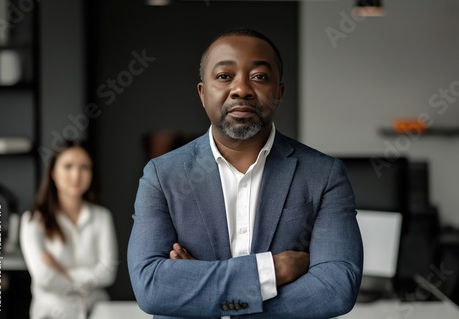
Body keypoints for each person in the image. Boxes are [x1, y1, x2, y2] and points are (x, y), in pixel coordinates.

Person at [128, 27, 363, 319]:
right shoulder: (162, 176)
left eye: (260, 77)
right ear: (203, 93)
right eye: (225, 76)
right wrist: (272, 271)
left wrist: (203, 296)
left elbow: (336, 288)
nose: (241, 89)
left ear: (279, 93)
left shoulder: (324, 175)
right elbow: (151, 287)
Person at [20, 140, 118, 319]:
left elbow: (108, 273)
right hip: (52, 314)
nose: (76, 174)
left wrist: (63, 271)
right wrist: (87, 279)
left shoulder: (102, 216)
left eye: (84, 167)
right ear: (53, 173)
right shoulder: (33, 220)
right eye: (68, 166)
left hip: (98, 311)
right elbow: (45, 279)